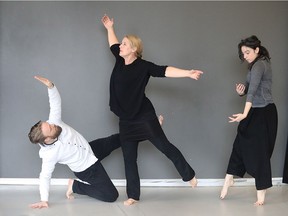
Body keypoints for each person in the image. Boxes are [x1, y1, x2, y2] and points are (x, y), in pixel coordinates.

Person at [101, 14, 203, 206]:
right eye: (121, 44)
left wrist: (187, 73)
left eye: (124, 44)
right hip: (126, 119)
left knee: (165, 147)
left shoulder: (143, 66)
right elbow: (112, 44)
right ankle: (133, 196)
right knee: (129, 159)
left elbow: (165, 70)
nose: (120, 46)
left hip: (143, 117)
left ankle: (189, 175)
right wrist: (109, 28)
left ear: (133, 50)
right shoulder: (119, 59)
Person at [28, 76, 121, 209]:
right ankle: (75, 186)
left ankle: (146, 131)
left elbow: (55, 103)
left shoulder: (54, 121)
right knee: (111, 195)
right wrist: (44, 199)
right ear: (47, 139)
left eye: (47, 123)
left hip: (88, 148)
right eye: (50, 128)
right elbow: (45, 176)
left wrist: (51, 86)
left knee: (116, 139)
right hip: (86, 168)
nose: (52, 124)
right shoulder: (48, 155)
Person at [220, 35, 278, 206]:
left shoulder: (260, 65)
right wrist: (240, 91)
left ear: (256, 50)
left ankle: (261, 192)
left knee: (260, 152)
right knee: (240, 143)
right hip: (254, 111)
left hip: (264, 113)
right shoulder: (253, 66)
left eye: (247, 52)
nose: (244, 56)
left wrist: (244, 114)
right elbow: (247, 89)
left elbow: (252, 92)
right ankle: (229, 177)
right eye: (243, 53)